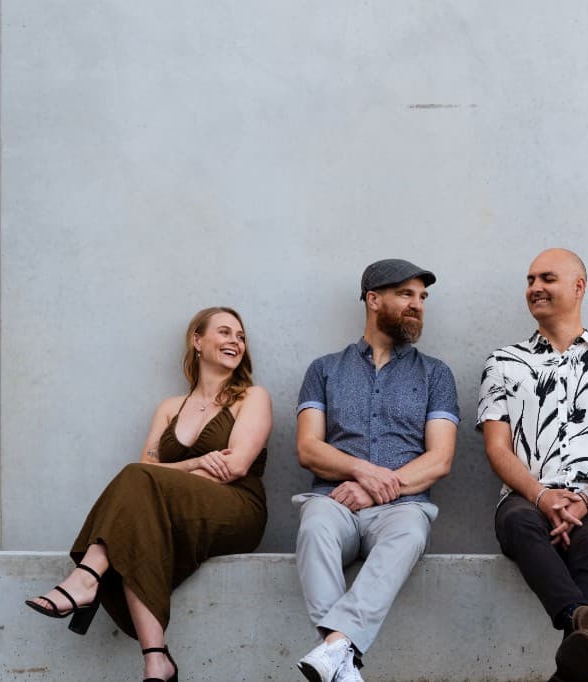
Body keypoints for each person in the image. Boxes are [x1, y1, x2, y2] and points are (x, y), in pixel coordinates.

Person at [25, 307, 272, 682]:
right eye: (224, 332)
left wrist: (168, 474)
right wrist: (192, 465)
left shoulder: (251, 398)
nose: (235, 342)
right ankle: (156, 660)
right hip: (174, 513)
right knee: (140, 517)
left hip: (236, 510)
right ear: (197, 341)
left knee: (137, 484)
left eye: (240, 336)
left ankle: (86, 578)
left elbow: (234, 467)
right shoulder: (170, 408)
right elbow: (147, 472)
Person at [477, 248, 588, 682]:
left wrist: (586, 499)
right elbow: (498, 449)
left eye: (547, 278)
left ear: (579, 286)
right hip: (525, 497)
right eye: (530, 279)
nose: (535, 288)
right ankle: (585, 622)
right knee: (519, 523)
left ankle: (574, 655)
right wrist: (541, 495)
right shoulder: (503, 362)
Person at [293, 258, 459, 682]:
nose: (417, 305)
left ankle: (334, 651)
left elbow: (439, 459)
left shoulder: (436, 374)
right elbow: (309, 448)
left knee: (410, 531)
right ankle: (343, 661)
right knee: (314, 526)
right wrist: (361, 471)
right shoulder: (324, 369)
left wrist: (375, 488)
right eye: (406, 294)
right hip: (335, 501)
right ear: (373, 299)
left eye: (422, 297)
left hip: (402, 507)